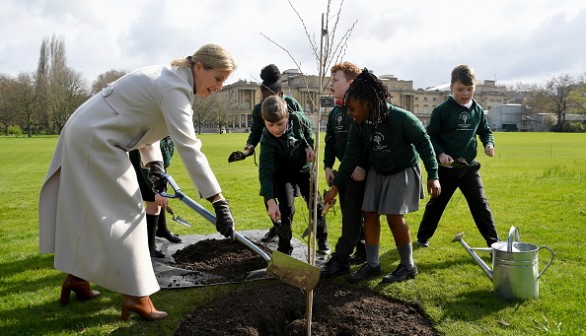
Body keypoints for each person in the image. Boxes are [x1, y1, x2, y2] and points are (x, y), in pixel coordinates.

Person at [39, 43, 237, 321]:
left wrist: (154, 164)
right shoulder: (175, 89)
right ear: (199, 67)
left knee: (86, 209)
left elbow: (142, 122)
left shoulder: (170, 78)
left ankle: (76, 278)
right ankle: (136, 297)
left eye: (223, 82)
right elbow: (189, 147)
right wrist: (219, 201)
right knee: (130, 212)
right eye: (218, 79)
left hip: (88, 131)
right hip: (98, 139)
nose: (218, 87)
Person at [324, 69, 441, 284]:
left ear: (367, 103)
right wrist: (336, 188)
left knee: (394, 216)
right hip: (379, 170)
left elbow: (424, 142)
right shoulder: (359, 125)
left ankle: (408, 266)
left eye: (352, 108)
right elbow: (349, 157)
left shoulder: (400, 118)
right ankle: (372, 264)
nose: (350, 114)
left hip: (402, 169)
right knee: (369, 213)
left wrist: (433, 175)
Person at [416, 64, 499, 248]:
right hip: (447, 169)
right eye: (461, 89)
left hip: (468, 168)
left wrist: (489, 143)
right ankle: (423, 238)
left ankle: (494, 245)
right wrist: (441, 154)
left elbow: (485, 131)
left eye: (470, 89)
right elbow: (430, 135)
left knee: (481, 205)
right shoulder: (442, 110)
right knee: (436, 204)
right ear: (452, 87)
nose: (465, 93)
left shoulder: (477, 110)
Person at [228, 64, 304, 243]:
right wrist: (246, 152)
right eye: (264, 98)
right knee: (269, 196)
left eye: (271, 97)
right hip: (271, 160)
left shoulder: (292, 105)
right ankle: (278, 227)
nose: (267, 103)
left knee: (288, 204)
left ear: (280, 94)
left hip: (291, 160)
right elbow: (255, 133)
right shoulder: (259, 109)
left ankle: (285, 230)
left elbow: (303, 128)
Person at [258, 95, 329, 255]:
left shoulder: (299, 119)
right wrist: (270, 200)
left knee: (316, 206)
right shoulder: (267, 138)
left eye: (280, 124)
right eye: (270, 125)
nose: (275, 129)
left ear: (288, 117)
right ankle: (284, 250)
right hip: (283, 173)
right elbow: (265, 170)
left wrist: (309, 146)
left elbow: (309, 131)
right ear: (264, 121)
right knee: (286, 210)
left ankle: (323, 243)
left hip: (304, 169)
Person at [321, 61, 368, 277]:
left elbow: (367, 143)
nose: (332, 84)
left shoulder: (360, 109)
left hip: (359, 173)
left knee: (352, 214)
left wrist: (361, 165)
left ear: (351, 82)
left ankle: (341, 260)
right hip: (344, 170)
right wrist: (328, 166)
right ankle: (363, 251)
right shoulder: (334, 113)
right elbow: (330, 141)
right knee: (353, 213)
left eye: (335, 80)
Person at [129, 136, 181, 259]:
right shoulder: (148, 136)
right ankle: (150, 247)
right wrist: (156, 190)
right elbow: (146, 164)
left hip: (156, 168)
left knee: (159, 200)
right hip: (147, 170)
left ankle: (162, 230)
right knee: (153, 206)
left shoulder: (160, 132)